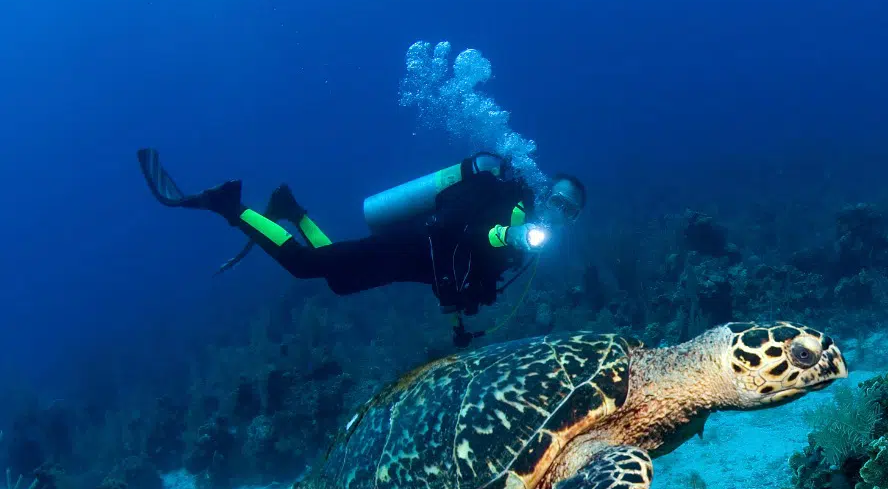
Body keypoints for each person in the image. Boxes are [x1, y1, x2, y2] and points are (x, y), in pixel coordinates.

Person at [137, 149, 586, 347]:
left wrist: (455, 323)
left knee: (337, 281)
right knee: (304, 265)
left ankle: (294, 212)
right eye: (560, 199)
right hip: (415, 243)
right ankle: (229, 205)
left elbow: (458, 274)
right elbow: (472, 236)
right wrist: (510, 235)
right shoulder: (515, 213)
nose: (561, 210)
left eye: (571, 210)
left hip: (421, 262)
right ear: (547, 191)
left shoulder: (528, 238)